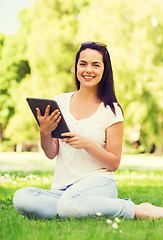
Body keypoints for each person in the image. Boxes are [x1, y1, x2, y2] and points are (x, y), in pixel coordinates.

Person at [13, 41, 163, 220]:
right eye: (83, 64)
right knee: (22, 197)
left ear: (104, 70)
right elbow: (51, 153)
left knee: (68, 204)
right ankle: (74, 208)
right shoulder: (59, 102)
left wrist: (87, 144)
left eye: (95, 65)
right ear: (76, 67)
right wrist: (45, 131)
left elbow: (113, 163)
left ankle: (135, 209)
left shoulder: (111, 110)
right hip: (63, 189)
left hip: (99, 183)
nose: (88, 70)